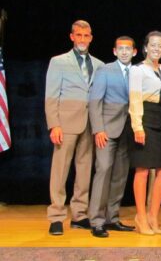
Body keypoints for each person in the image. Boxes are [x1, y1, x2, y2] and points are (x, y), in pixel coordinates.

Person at [45, 20, 104, 235]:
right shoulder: (58, 61)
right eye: (78, 35)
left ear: (91, 37)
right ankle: (56, 216)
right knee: (60, 171)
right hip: (66, 123)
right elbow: (51, 95)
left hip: (89, 123)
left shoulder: (98, 64)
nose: (82, 39)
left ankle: (79, 214)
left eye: (85, 35)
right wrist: (54, 125)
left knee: (84, 170)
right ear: (72, 37)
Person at [87, 36, 137, 238]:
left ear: (134, 52)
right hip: (107, 130)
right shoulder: (105, 70)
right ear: (115, 51)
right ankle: (97, 221)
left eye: (128, 49)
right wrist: (98, 129)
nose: (124, 52)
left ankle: (112, 218)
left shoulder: (138, 72)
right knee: (104, 171)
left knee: (120, 175)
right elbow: (95, 101)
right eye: (120, 48)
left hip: (128, 130)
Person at [129, 31, 161, 235]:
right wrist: (137, 126)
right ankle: (141, 217)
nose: (157, 48)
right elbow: (135, 98)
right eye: (153, 45)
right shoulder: (137, 70)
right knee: (143, 169)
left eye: (160, 46)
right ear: (145, 47)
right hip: (146, 117)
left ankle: (153, 215)